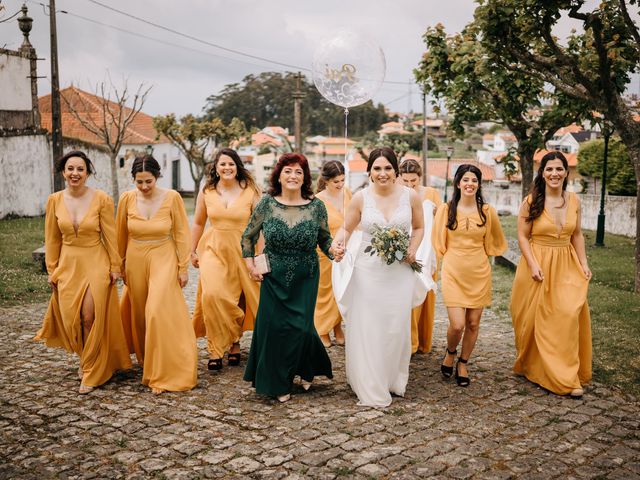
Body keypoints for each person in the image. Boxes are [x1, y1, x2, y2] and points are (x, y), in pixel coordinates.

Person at [332, 147, 428, 407]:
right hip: (367, 271)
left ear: (396, 170)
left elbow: (418, 227)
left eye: (387, 168)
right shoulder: (361, 198)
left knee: (395, 328)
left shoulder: (411, 197)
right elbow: (345, 229)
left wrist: (411, 249)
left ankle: (391, 379)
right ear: (370, 172)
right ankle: (369, 383)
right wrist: (337, 245)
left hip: (399, 272)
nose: (382, 173)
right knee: (369, 326)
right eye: (377, 168)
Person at [241, 153, 341, 403]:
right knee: (275, 328)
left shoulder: (316, 205)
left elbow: (324, 238)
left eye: (298, 171)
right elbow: (248, 237)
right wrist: (251, 265)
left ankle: (306, 368)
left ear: (305, 176)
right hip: (273, 274)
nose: (293, 176)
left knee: (300, 327)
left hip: (305, 275)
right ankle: (278, 382)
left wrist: (333, 250)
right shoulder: (266, 204)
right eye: (288, 171)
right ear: (279, 174)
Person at [34, 150, 131, 394]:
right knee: (72, 319)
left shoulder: (102, 199)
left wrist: (115, 266)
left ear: (87, 173)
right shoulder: (54, 200)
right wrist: (52, 269)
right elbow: (52, 238)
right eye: (70, 169)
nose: (75, 173)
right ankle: (86, 357)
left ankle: (91, 369)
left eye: (80, 169)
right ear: (63, 172)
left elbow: (109, 236)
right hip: (68, 264)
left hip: (95, 262)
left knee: (89, 316)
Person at [510, 152, 592, 397]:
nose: (554, 173)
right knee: (533, 318)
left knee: (567, 314)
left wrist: (583, 262)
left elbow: (576, 235)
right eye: (549, 169)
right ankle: (533, 366)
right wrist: (533, 264)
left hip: (566, 262)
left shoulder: (574, 200)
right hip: (537, 263)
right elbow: (523, 236)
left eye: (559, 169)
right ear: (542, 173)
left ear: (566, 172)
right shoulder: (531, 200)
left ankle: (565, 376)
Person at [116, 155, 197, 394]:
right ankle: (145, 362)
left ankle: (165, 370)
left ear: (157, 176)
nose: (143, 187)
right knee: (140, 313)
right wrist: (119, 265)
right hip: (135, 258)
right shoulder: (126, 199)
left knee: (156, 311)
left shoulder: (172, 198)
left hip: (164, 255)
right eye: (139, 182)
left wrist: (183, 267)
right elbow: (120, 235)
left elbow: (182, 233)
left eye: (148, 181)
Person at [433, 164, 507, 387]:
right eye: (465, 180)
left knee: (473, 323)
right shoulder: (446, 210)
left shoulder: (487, 211)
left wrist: (479, 257)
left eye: (474, 180)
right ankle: (450, 352)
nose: (470, 184)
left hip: (479, 271)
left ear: (479, 184)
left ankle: (463, 363)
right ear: (458, 183)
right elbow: (438, 242)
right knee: (457, 325)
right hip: (454, 270)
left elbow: (494, 242)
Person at [191, 148, 262, 370]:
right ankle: (214, 348)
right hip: (214, 248)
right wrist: (192, 250)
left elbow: (261, 225)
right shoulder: (207, 191)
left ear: (237, 166)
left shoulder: (250, 190)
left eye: (231, 164)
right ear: (216, 168)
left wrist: (260, 255)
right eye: (223, 164)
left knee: (238, 298)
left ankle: (233, 343)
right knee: (212, 295)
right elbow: (198, 222)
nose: (227, 168)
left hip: (244, 249)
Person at [399, 158, 441, 354]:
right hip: (405, 246)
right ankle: (408, 342)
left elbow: (441, 220)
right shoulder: (396, 193)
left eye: (413, 181)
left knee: (424, 295)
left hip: (427, 249)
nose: (409, 185)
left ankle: (422, 340)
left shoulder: (432, 194)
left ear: (420, 178)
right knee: (406, 295)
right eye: (405, 181)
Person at [314, 160, 351, 348]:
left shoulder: (348, 194)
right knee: (325, 292)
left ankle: (337, 327)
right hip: (324, 252)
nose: (340, 185)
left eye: (343, 180)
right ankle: (322, 329)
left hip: (346, 252)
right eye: (336, 181)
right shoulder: (317, 200)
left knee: (341, 291)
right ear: (326, 181)